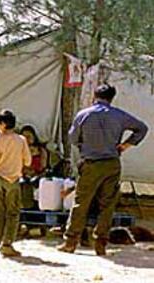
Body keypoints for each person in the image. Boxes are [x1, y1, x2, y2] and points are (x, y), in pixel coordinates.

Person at [58, 84, 148, 256]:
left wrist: (87, 145)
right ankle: (101, 244)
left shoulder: (83, 115)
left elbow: (73, 138)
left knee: (81, 203)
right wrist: (126, 145)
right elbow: (142, 128)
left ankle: (70, 242)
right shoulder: (119, 115)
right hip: (112, 163)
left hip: (91, 163)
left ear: (95, 95)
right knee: (107, 205)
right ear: (111, 98)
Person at [0, 110, 32, 257]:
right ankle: (7, 242)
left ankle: (1, 242)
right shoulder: (21, 140)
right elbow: (28, 161)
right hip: (13, 180)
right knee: (13, 212)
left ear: (3, 124)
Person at [19, 125, 48, 209]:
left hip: (37, 174)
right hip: (23, 174)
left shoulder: (41, 150)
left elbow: (43, 165)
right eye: (24, 137)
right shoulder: (19, 150)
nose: (27, 139)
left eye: (29, 136)